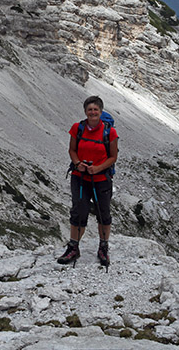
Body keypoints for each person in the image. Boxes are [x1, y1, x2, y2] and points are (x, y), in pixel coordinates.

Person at [57, 95, 118, 267]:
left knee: (103, 212)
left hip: (101, 178)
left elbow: (113, 156)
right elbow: (72, 149)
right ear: (85, 111)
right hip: (80, 176)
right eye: (90, 109)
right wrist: (78, 164)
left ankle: (103, 247)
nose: (92, 112)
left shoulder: (109, 132)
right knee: (78, 210)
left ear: (100, 111)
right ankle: (73, 247)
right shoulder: (78, 128)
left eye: (95, 109)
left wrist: (97, 168)